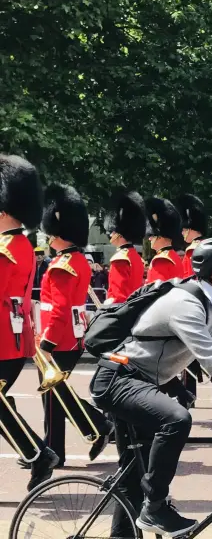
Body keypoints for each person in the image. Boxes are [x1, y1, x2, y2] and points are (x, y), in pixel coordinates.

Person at [90, 237, 212, 536]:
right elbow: (211, 358)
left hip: (140, 383)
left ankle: (134, 521)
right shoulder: (186, 305)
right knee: (177, 419)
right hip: (119, 379)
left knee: (133, 478)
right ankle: (156, 507)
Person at [39, 183, 114, 467]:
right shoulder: (78, 260)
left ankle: (98, 425)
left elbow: (57, 310)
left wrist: (45, 344)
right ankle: (55, 449)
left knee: (56, 396)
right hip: (70, 336)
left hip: (58, 338)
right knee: (54, 400)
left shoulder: (61, 265)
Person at [0, 154, 59, 490]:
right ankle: (37, 452)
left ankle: (37, 453)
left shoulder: (8, 247)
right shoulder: (20, 245)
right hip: (12, 336)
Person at [176, 194, 209, 397]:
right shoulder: (205, 245)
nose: (182, 233)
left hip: (192, 302)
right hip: (205, 302)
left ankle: (188, 393)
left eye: (184, 229)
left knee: (186, 351)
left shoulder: (191, 250)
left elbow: (189, 278)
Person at [104, 191, 146, 305]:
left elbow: (118, 297)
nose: (110, 235)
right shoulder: (136, 257)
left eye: (113, 231)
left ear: (120, 233)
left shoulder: (120, 259)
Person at [145, 197, 183, 282]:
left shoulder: (161, 260)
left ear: (159, 235)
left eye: (152, 235)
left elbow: (157, 292)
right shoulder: (175, 257)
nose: (150, 238)